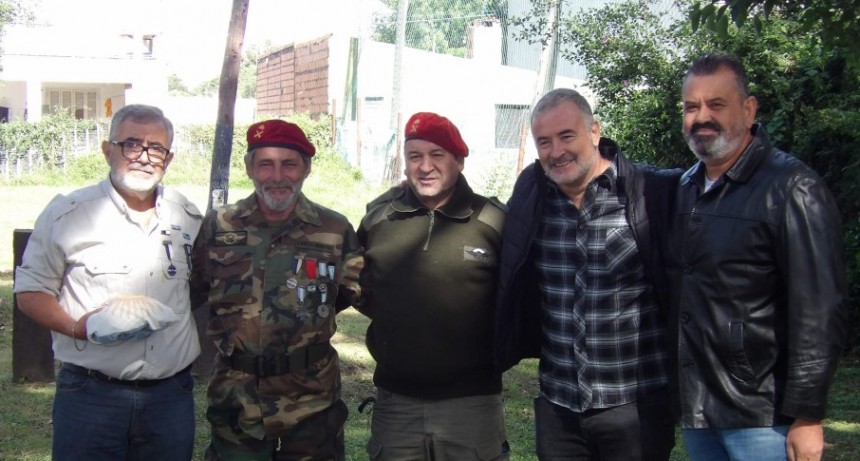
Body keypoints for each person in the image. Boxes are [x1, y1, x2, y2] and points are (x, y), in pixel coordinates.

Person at [667, 54, 848, 461]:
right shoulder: (686, 188)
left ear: (749, 110)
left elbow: (820, 309)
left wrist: (808, 415)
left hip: (765, 417)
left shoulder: (791, 188)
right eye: (691, 107)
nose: (701, 117)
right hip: (701, 412)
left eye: (716, 104)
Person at [493, 88, 678, 460]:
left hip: (635, 406)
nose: (556, 151)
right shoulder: (532, 194)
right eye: (544, 141)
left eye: (566, 136)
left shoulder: (650, 192)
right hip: (558, 404)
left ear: (594, 132)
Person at [14, 104, 202, 461]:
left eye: (156, 148)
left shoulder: (188, 217)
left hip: (170, 397)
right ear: (107, 150)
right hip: (91, 394)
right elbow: (30, 291)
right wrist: (77, 327)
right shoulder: (68, 214)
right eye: (132, 144)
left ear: (169, 158)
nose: (145, 157)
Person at [190, 119, 360, 461]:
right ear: (250, 168)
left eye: (289, 164)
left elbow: (344, 295)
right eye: (266, 164)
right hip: (237, 399)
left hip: (312, 399)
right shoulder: (220, 225)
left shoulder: (334, 228)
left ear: (306, 169)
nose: (277, 176)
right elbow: (197, 289)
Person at [355, 112, 509, 460]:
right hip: (396, 403)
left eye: (437, 155)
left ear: (459, 160)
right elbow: (357, 287)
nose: (425, 166)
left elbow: (520, 301)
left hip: (472, 404)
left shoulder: (495, 221)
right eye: (415, 156)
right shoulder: (379, 219)